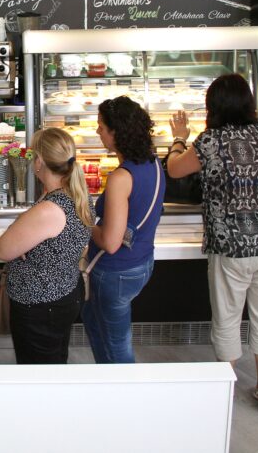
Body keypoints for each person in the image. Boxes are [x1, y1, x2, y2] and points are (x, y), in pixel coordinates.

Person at [166, 73, 258, 415]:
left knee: (227, 318)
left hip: (231, 245)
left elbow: (175, 171)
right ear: (249, 102)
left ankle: (227, 386)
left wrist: (179, 139)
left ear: (213, 106)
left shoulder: (210, 141)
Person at [0, 128, 93, 364]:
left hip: (40, 305)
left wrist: (23, 235)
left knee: (38, 371)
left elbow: (3, 249)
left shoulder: (50, 208)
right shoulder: (76, 194)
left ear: (39, 161)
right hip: (63, 292)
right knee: (54, 362)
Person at [81, 96, 165, 364]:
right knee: (96, 324)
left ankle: (125, 396)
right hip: (142, 261)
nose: (98, 132)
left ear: (117, 132)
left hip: (115, 271)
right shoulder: (153, 162)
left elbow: (111, 241)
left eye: (102, 127)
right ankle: (110, 385)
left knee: (116, 344)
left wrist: (85, 221)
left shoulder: (120, 177)